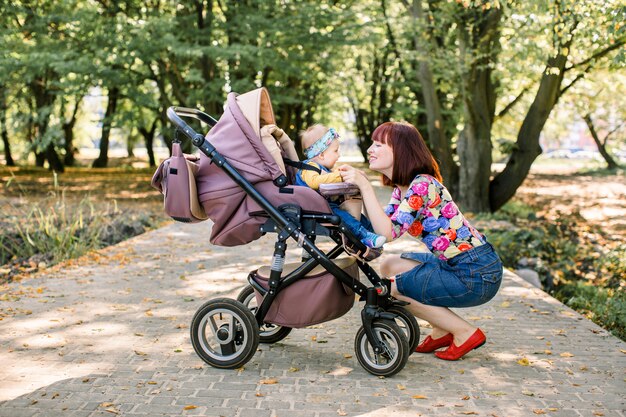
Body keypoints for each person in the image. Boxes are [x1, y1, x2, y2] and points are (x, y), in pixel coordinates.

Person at [339, 121, 503, 361]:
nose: (370, 150)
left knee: (393, 289)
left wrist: (365, 185)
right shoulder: (402, 188)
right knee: (389, 266)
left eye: (378, 144)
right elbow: (380, 229)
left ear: (400, 150)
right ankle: (442, 328)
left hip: (475, 272)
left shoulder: (422, 184)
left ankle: (464, 332)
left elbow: (387, 234)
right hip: (457, 264)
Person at [295, 124, 386, 249]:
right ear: (321, 154)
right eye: (335, 150)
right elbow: (314, 182)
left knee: (353, 216)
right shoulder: (309, 167)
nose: (339, 155)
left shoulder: (322, 169)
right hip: (313, 207)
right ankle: (365, 235)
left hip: (323, 205)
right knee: (343, 216)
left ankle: (372, 231)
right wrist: (340, 176)